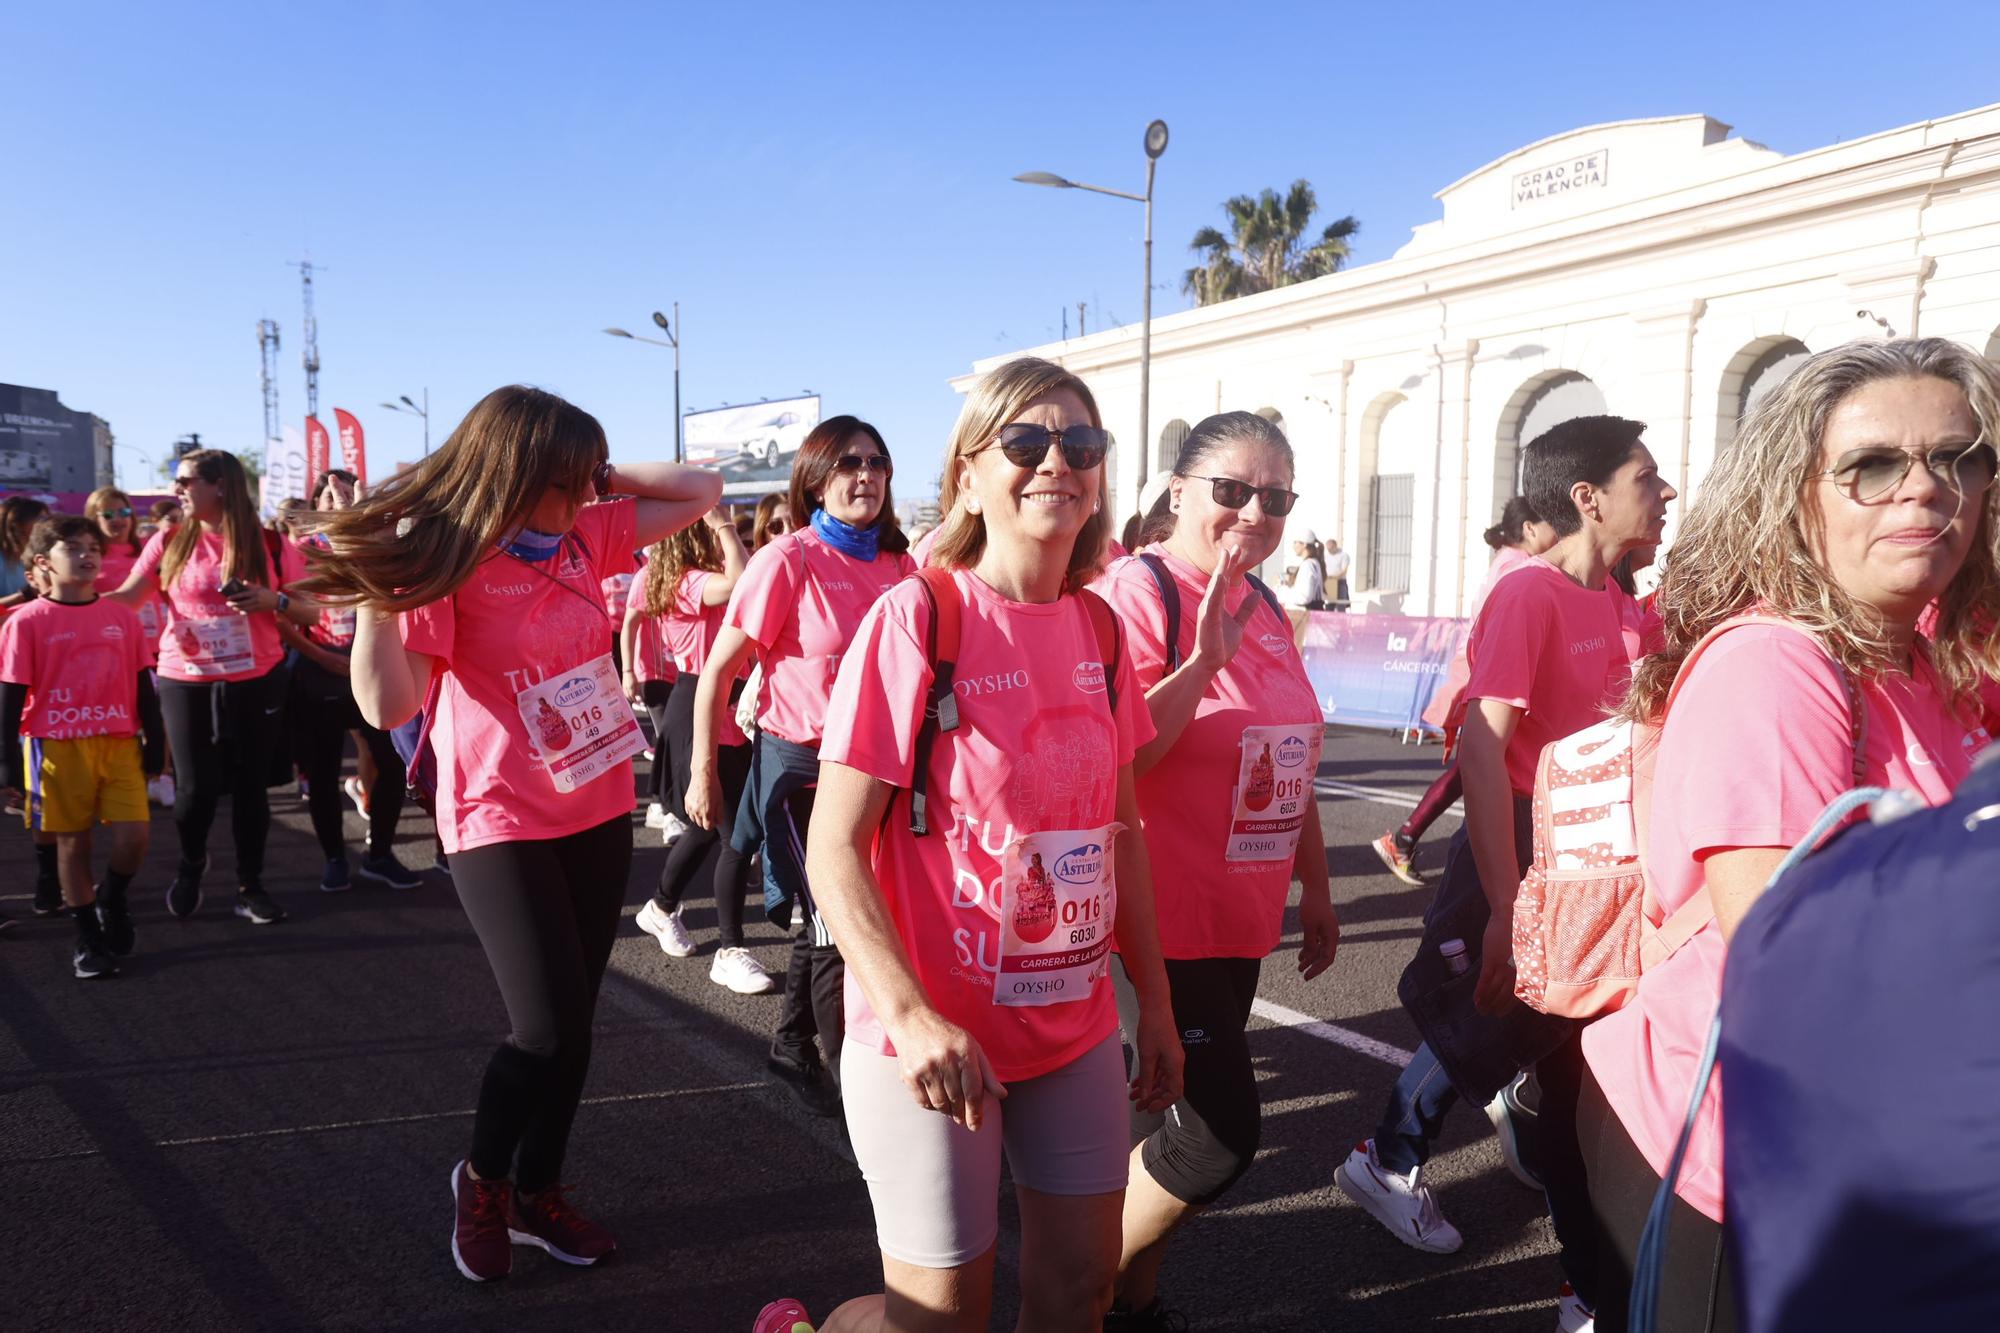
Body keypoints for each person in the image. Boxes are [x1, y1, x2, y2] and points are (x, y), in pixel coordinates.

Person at [1545, 338, 1999, 1332]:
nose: (1923, 490)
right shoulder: (1773, 667)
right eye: (1871, 465)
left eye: (1960, 458)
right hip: (1724, 1150)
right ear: (1797, 498)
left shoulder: (1936, 667)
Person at [757, 356, 1182, 1333]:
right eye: (1024, 443)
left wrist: (1152, 1002)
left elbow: (1121, 838)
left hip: (1069, 1025)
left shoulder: (1101, 630)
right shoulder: (918, 617)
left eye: (1079, 445)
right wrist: (908, 1014)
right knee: (937, 1321)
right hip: (933, 1034)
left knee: (1079, 1292)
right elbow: (832, 848)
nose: (1055, 465)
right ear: (967, 475)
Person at [306, 384, 720, 1283]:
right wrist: (386, 587)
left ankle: (542, 1192)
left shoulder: (584, 535)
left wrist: (595, 472)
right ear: (513, 471)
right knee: (542, 1027)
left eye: (585, 482)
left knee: (577, 1027)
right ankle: (484, 1180)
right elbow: (387, 703)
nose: (580, 500)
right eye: (562, 481)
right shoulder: (448, 560)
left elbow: (701, 490)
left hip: (599, 796)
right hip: (500, 815)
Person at [1336, 415, 1674, 1260]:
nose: (1665, 492)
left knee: (1551, 1040)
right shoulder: (1530, 593)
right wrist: (1504, 901)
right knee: (1488, 1017)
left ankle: (1582, 1268)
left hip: (1596, 851)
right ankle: (1390, 1157)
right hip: (1525, 839)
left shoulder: (1624, 604)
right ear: (1588, 498)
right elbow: (1482, 750)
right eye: (1647, 477)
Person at [1093, 412, 1340, 1328]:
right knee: (1215, 1140)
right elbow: (1116, 760)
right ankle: (1070, 1284)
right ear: (1178, 492)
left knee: (1159, 1131)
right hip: (1157, 922)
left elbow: (1288, 754)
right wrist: (1199, 664)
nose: (1254, 514)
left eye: (1275, 498)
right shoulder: (1140, 591)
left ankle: (1129, 1303)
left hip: (1238, 923)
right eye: (1231, 492)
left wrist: (1315, 884)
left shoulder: (1267, 605)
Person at [686, 417, 914, 1117]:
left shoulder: (900, 566)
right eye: (849, 462)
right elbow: (717, 669)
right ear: (815, 478)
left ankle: (789, 1042)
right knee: (836, 924)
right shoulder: (787, 559)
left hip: (878, 769)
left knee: (841, 922)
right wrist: (702, 767)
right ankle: (856, 1088)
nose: (867, 474)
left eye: (878, 461)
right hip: (800, 772)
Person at [105, 449, 318, 926]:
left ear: (219, 485)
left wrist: (272, 600)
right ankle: (191, 864)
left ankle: (250, 884)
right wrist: (65, 603)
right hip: (187, 678)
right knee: (195, 789)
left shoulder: (270, 542)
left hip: (254, 678)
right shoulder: (170, 538)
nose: (176, 489)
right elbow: (128, 599)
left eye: (184, 481)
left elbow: (310, 612)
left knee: (250, 789)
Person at [0, 516, 163, 977]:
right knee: (74, 844)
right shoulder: (24, 623)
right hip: (56, 748)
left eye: (93, 547)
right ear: (42, 562)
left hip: (118, 743)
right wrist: (7, 765)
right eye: (72, 548)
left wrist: (156, 744)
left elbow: (143, 685)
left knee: (135, 838)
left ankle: (111, 897)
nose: (87, 555)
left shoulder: (119, 616)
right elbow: (10, 699)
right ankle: (87, 935)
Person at [1374, 496, 1557, 887]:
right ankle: (1407, 840)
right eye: (1550, 524)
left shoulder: (1508, 561)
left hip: (1480, 675)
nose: (1558, 532)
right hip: (1488, 677)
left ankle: (1405, 840)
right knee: (1477, 769)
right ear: (1529, 528)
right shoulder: (1520, 568)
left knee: (1472, 770)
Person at [631, 508, 778, 994]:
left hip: (719, 703)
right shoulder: (688, 581)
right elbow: (743, 582)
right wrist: (724, 525)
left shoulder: (688, 578)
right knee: (735, 836)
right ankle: (731, 949)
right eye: (711, 531)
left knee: (706, 827)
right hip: (699, 703)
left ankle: (660, 906)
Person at [283, 469, 417, 893]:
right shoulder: (302, 550)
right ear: (317, 505)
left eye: (345, 492)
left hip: (369, 670)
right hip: (319, 673)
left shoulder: (376, 545)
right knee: (321, 771)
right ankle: (335, 858)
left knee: (392, 764)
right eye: (328, 495)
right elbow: (283, 619)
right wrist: (322, 655)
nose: (336, 501)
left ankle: (379, 854)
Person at [620, 544, 680, 833]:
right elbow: (629, 625)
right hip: (652, 671)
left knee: (672, 739)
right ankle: (659, 806)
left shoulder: (689, 572)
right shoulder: (646, 575)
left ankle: (668, 803)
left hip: (682, 670)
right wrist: (628, 672)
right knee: (665, 737)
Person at [1, 495, 52, 607]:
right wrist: (24, 595)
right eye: (41, 519)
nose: (47, 525)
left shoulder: (46, 558)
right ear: (16, 524)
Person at [1277, 526, 1327, 611]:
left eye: (1296, 542)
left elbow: (1304, 597)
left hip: (1305, 616)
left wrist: (1280, 590)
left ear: (1304, 544)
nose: (1293, 546)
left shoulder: (1308, 565)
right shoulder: (1315, 563)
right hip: (1313, 614)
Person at [1323, 535, 1353, 610]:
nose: (1329, 550)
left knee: (1341, 605)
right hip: (1329, 582)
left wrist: (1333, 577)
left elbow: (1344, 571)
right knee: (1329, 605)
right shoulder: (1326, 556)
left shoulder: (1343, 555)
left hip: (1340, 582)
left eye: (1331, 548)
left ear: (1335, 546)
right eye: (1328, 549)